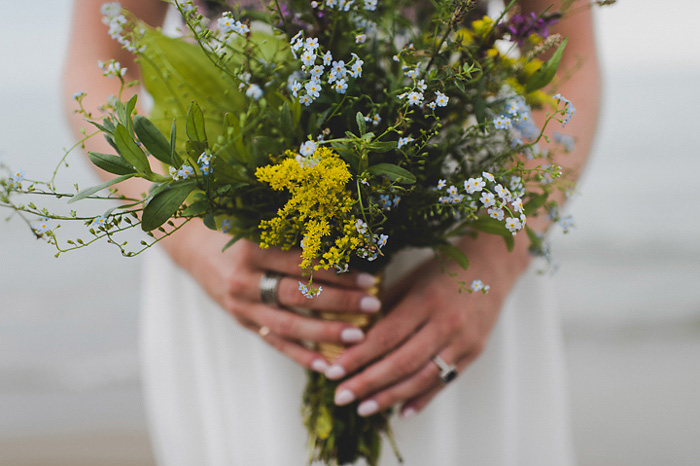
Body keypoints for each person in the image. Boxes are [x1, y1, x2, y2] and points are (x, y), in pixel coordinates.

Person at [63, 0, 600, 464]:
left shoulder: (474, 267)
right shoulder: (215, 253)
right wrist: (195, 245)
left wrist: (493, 263)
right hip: (244, 259)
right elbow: (96, 59)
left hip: (451, 252)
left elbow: (565, 57)